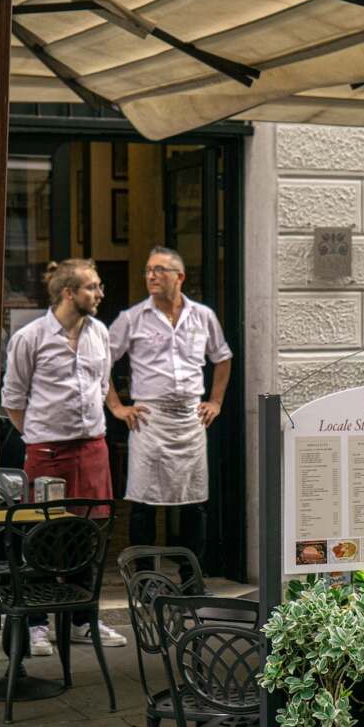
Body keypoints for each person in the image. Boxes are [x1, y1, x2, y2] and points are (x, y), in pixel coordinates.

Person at [0, 258, 127, 656]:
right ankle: (36, 624)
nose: (100, 293)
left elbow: (102, 384)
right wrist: (40, 437)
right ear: (69, 293)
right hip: (47, 453)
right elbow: (13, 400)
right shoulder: (30, 337)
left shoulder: (100, 332)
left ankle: (81, 621)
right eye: (92, 287)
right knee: (40, 538)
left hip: (92, 449)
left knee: (88, 537)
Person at [107, 246, 232, 579]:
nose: (151, 276)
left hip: (190, 418)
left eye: (159, 270)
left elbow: (222, 358)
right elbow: (100, 361)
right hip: (149, 419)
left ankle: (191, 581)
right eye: (148, 270)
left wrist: (216, 401)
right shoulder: (132, 318)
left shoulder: (203, 316)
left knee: (194, 504)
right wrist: (117, 406)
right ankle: (145, 580)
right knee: (143, 504)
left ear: (180, 277)